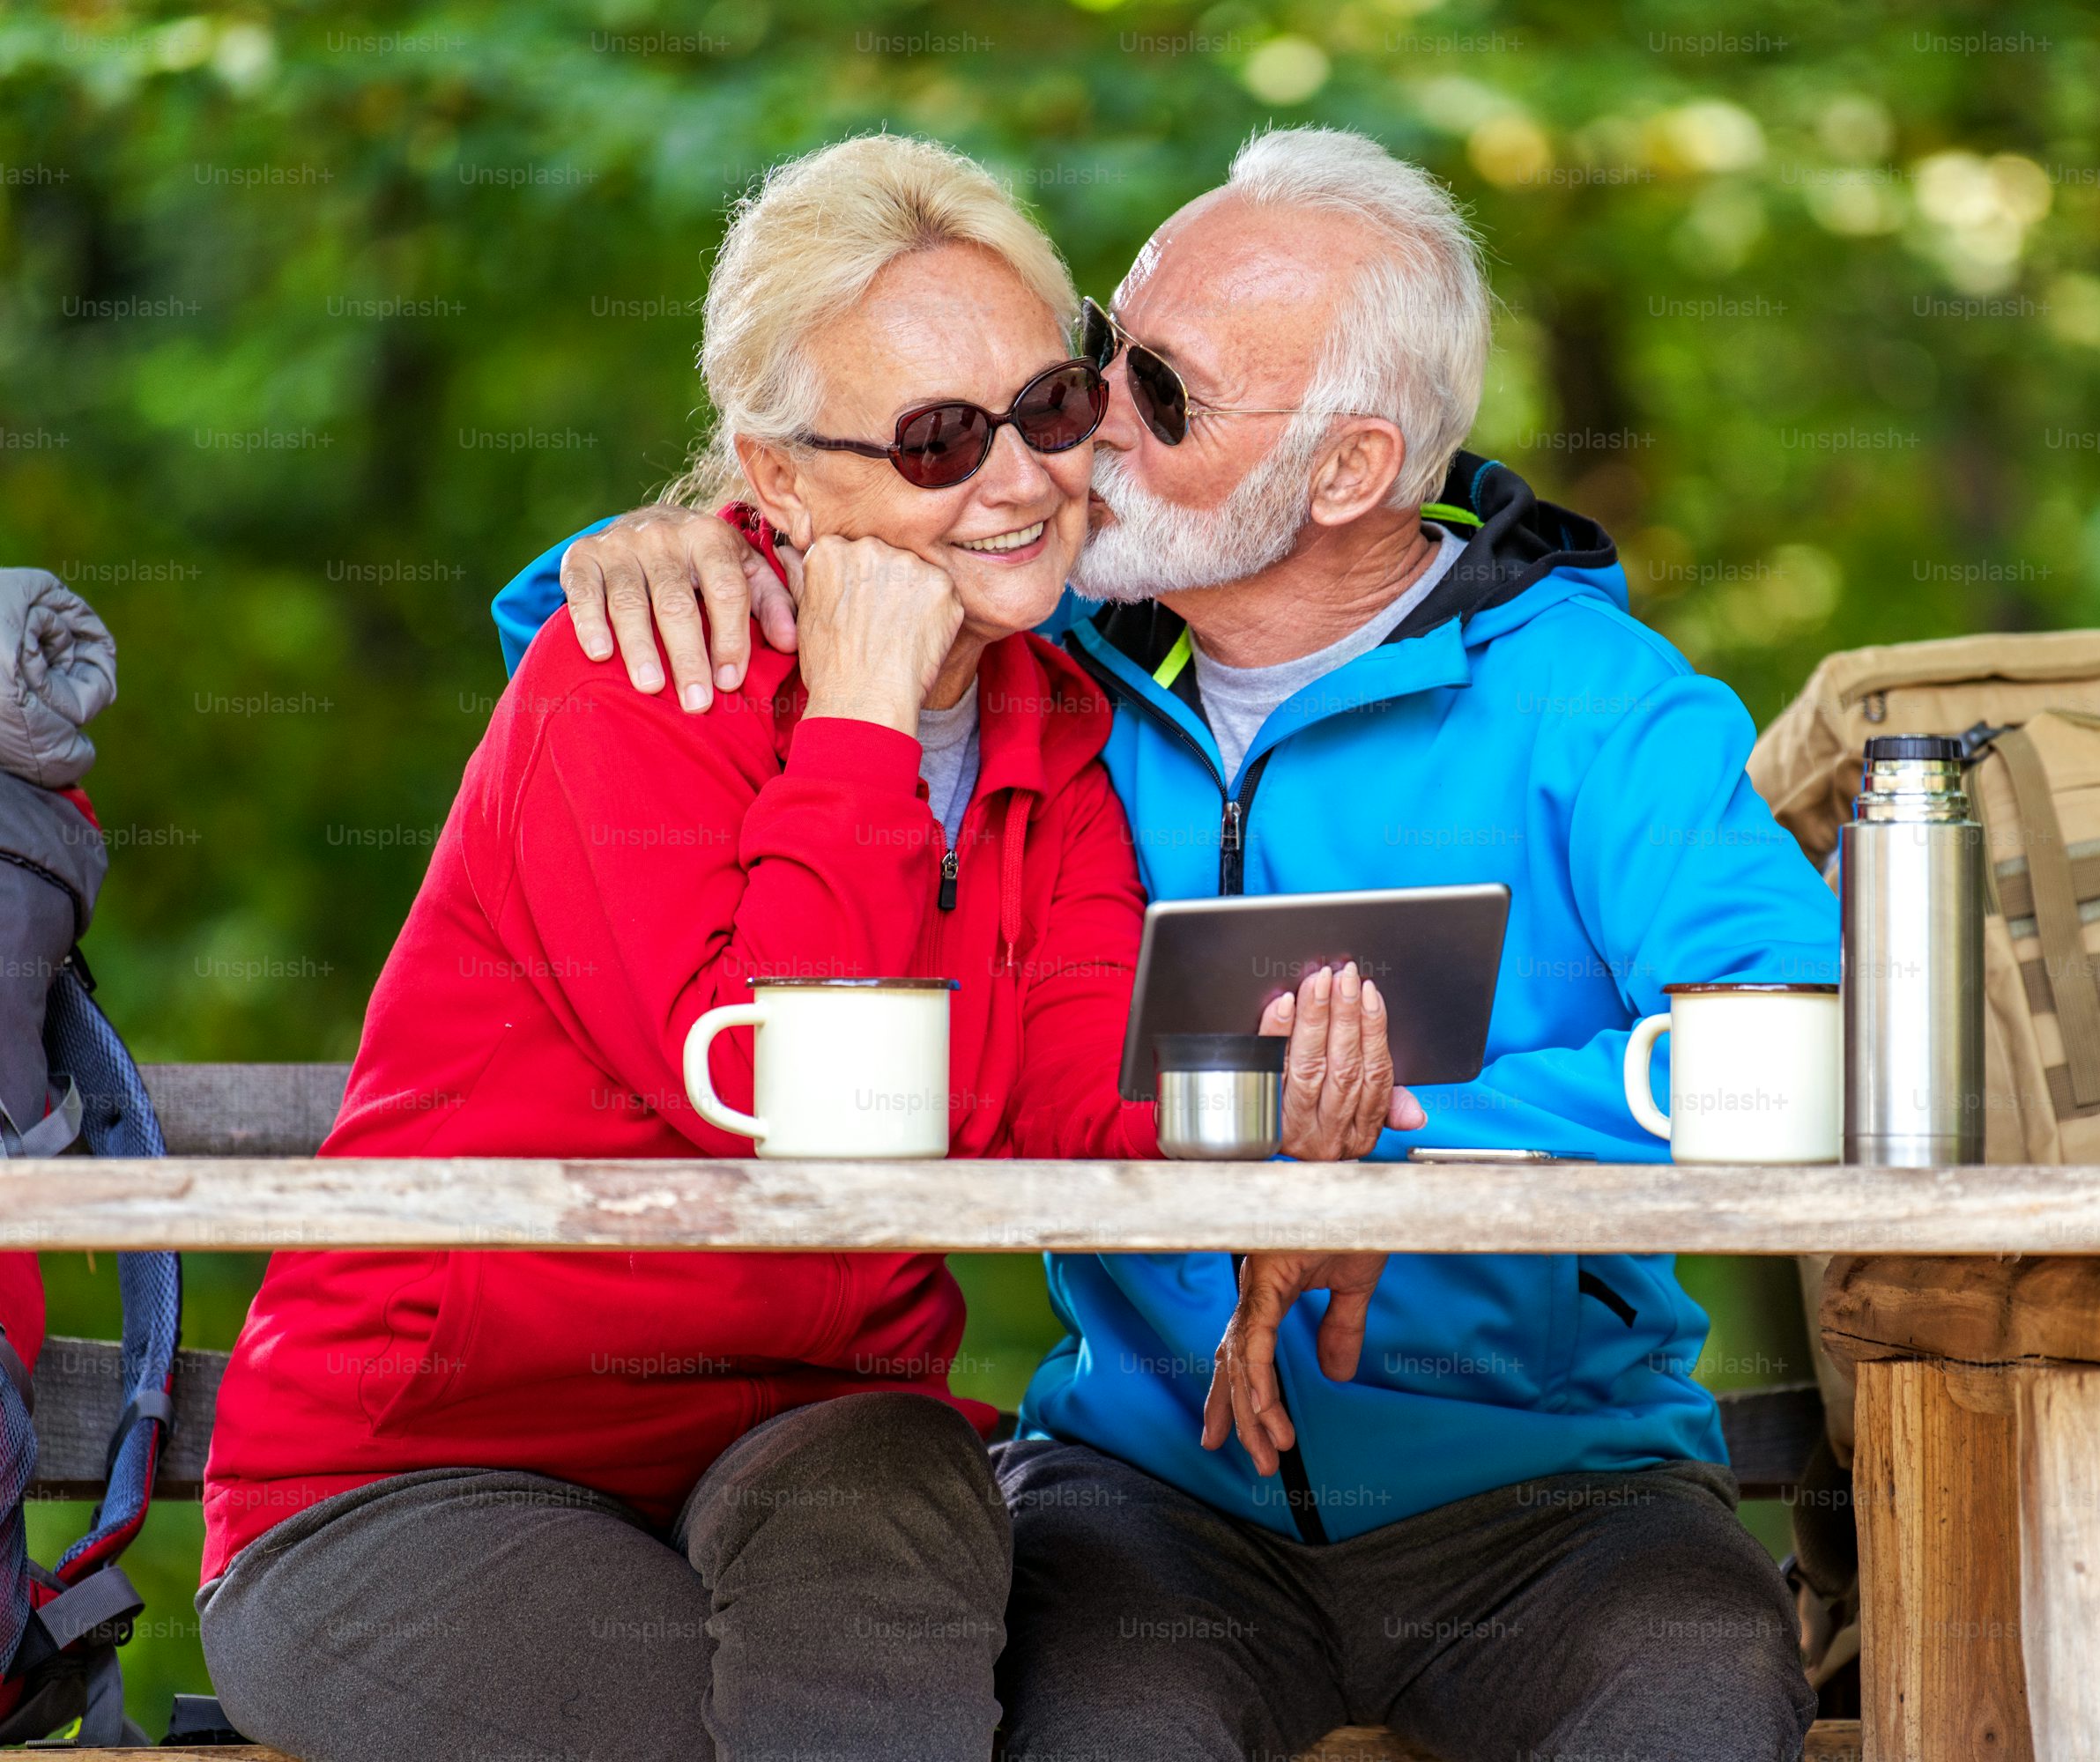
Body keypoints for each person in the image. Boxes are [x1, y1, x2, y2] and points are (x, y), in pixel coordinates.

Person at [497, 128, 1837, 1762]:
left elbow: (1790, 1047)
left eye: (1162, 395)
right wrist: (669, 543)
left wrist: (1389, 1166)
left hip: (1558, 1503)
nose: (1078, 436)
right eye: (1093, 359)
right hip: (1149, 1496)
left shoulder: (1598, 703)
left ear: (1346, 473)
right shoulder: (1043, 650)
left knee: (1697, 1701)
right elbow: (624, 663)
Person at [198, 132, 1405, 1762]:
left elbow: (1063, 1095)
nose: (1019, 480)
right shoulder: (628, 685)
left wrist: (1284, 1105)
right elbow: (791, 1114)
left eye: (1051, 409)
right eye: (932, 441)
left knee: (912, 1517)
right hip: (420, 1471)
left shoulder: (1058, 724)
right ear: (773, 481)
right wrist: (853, 725)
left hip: (808, 1433)